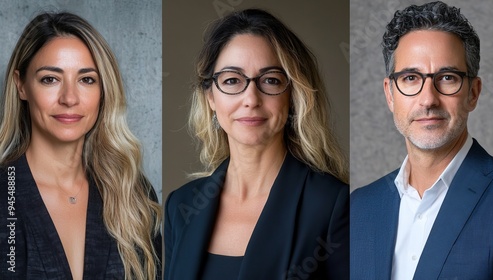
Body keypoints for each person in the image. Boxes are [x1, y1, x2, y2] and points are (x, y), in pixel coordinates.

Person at [164, 8, 349, 280]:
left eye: (270, 80)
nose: (251, 99)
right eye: (232, 80)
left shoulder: (333, 205)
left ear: (292, 95)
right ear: (210, 98)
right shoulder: (180, 206)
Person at [0, 12, 161, 279]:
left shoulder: (134, 196)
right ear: (21, 86)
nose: (70, 98)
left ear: (103, 91)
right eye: (50, 79)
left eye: (86, 79)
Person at [350, 1, 493, 279]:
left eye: (447, 77)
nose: (428, 99)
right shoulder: (358, 209)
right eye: (410, 78)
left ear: (473, 93)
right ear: (390, 94)